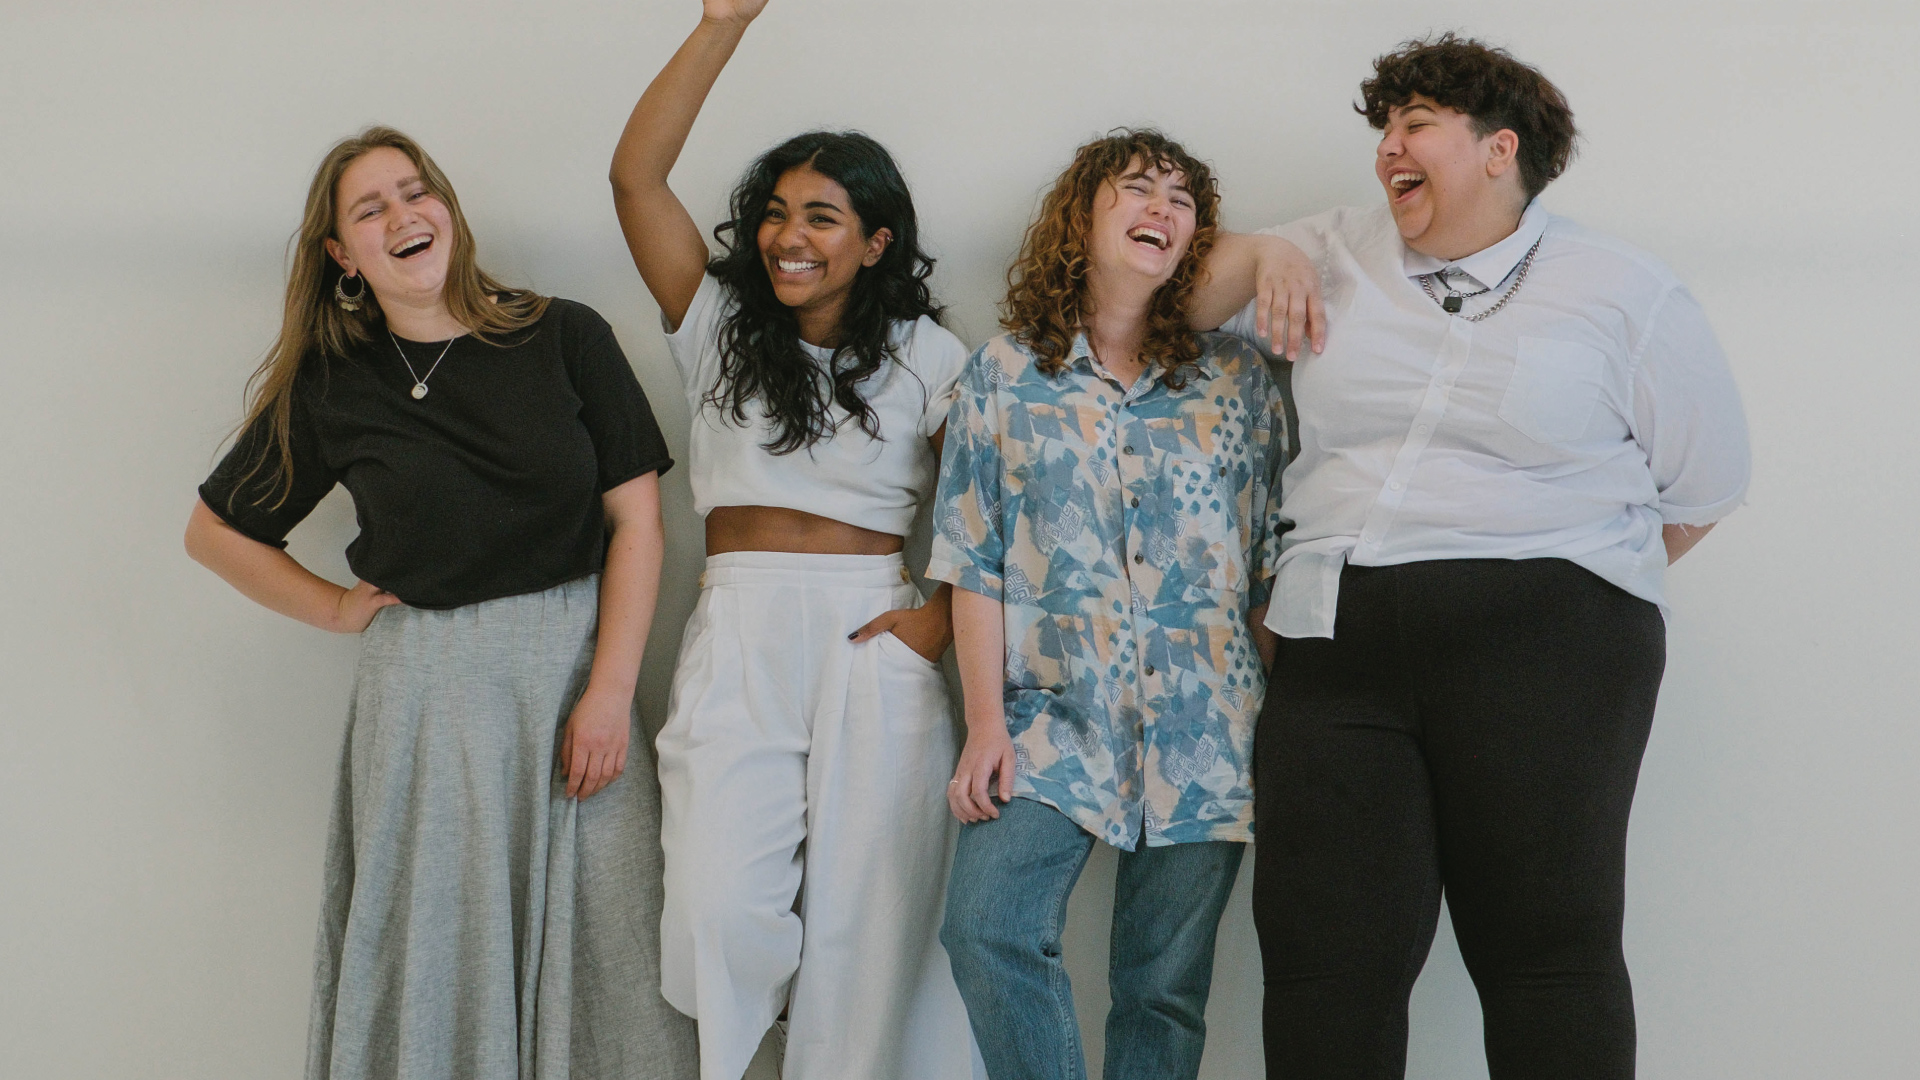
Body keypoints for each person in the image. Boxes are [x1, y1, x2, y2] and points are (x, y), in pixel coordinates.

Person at [1191, 34, 1753, 1079]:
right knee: (1322, 961)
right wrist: (1260, 250)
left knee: (1546, 951)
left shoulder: (1623, 290)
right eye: (1383, 129)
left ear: (1500, 151)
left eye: (1415, 126)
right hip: (1333, 638)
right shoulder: (1332, 247)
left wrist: (1557, 591)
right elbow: (1171, 301)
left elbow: (1706, 486)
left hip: (1552, 649)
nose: (1387, 150)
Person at [183, 127, 696, 1080]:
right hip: (426, 703)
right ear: (341, 254)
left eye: (415, 193)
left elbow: (639, 522)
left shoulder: (564, 334)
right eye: (368, 210)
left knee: (615, 943)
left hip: (577, 676)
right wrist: (337, 608)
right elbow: (214, 532)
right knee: (438, 956)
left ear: (448, 209)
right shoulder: (334, 382)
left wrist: (611, 691)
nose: (401, 217)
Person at [608, 4, 981, 1079]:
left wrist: (936, 626)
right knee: (717, 908)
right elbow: (637, 179)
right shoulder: (717, 321)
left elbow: (982, 511)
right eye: (775, 213)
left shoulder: (930, 354)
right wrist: (724, 22)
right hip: (742, 620)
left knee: (871, 922)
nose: (788, 236)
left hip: (877, 624)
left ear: (875, 242)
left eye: (823, 217)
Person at [931, 129, 1290, 1080]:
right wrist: (982, 726)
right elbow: (973, 563)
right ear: (1078, 220)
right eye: (1137, 190)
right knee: (986, 932)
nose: (1162, 210)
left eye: (1182, 202)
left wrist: (1269, 717)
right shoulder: (1004, 375)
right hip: (1050, 722)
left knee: (1161, 995)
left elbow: (1267, 566)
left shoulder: (1239, 382)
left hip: (1208, 730)